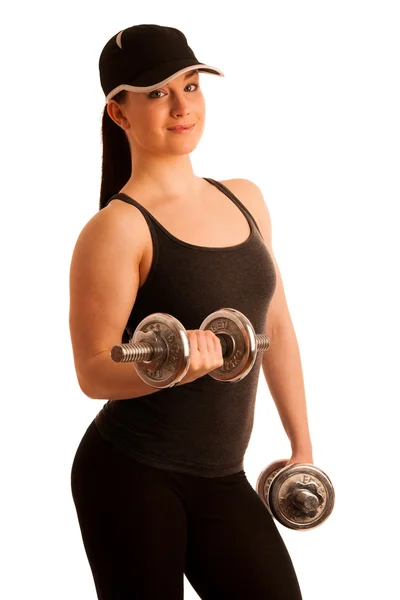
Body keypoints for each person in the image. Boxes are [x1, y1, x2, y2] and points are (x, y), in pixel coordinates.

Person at [69, 24, 313, 599]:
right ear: (119, 112)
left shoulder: (244, 197)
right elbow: (91, 372)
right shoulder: (116, 229)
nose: (182, 106)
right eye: (155, 93)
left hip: (222, 476)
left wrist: (302, 446)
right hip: (130, 475)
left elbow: (274, 325)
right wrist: (177, 365)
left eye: (191, 84)